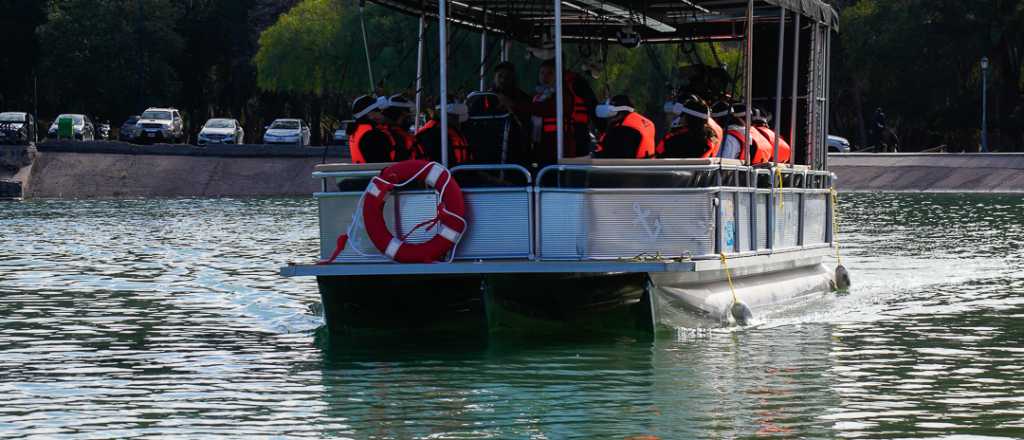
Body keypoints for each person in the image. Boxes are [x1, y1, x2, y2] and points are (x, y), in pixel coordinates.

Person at [528, 59, 598, 165]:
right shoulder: (536, 96)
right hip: (542, 145)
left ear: (557, 75)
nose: (545, 76)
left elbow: (547, 109)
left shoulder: (564, 94)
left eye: (550, 73)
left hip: (567, 141)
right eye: (542, 73)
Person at [593, 95, 655, 159]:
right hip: (644, 166)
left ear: (620, 111)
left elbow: (613, 157)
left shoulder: (623, 130)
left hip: (627, 167)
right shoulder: (647, 122)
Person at [415, 101, 471, 165]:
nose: (457, 120)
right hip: (446, 171)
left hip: (461, 169)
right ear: (442, 114)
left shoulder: (452, 129)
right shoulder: (431, 133)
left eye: (457, 116)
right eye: (453, 116)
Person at [347, 95, 396, 163]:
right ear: (370, 114)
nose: (382, 114)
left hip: (364, 171)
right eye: (379, 110)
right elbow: (382, 162)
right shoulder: (374, 136)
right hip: (377, 172)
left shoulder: (356, 130)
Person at [381, 93, 421, 161]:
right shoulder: (390, 136)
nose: (410, 118)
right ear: (400, 114)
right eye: (407, 114)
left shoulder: (399, 133)